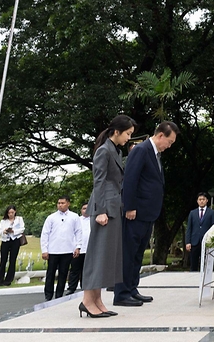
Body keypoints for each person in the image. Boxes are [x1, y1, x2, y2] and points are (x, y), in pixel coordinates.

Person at [114, 120, 178, 307]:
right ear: (160, 136)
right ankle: (122, 293)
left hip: (147, 213)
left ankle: (132, 288)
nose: (169, 146)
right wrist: (130, 207)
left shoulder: (155, 154)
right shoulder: (141, 150)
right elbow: (131, 179)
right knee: (129, 252)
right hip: (136, 212)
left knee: (138, 254)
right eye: (170, 141)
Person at [80, 114, 133, 318]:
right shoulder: (104, 151)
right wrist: (100, 211)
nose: (128, 137)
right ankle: (87, 300)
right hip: (103, 208)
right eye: (127, 134)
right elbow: (99, 182)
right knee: (97, 255)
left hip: (112, 207)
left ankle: (97, 299)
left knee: (106, 256)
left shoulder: (114, 151)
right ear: (116, 132)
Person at [40, 195, 82, 301]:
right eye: (59, 203)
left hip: (67, 250)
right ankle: (48, 295)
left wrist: (78, 246)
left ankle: (59, 295)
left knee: (63, 274)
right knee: (51, 273)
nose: (60, 205)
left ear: (68, 203)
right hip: (53, 250)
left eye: (62, 203)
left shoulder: (74, 217)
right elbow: (45, 234)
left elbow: (78, 232)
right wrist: (44, 250)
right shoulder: (51, 217)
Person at [185, 193, 214, 272]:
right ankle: (193, 279)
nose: (201, 201)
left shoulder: (211, 213)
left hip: (206, 241)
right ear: (197, 201)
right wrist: (188, 242)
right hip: (194, 241)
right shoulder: (192, 213)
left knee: (206, 264)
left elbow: (213, 228)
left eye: (203, 199)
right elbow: (189, 228)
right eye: (200, 199)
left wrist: (212, 240)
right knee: (194, 264)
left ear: (207, 201)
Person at [0, 205, 25, 286]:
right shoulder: (3, 221)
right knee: (3, 260)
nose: (11, 214)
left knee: (12, 260)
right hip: (5, 240)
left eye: (12, 212)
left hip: (15, 240)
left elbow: (22, 229)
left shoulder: (19, 219)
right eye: (9, 213)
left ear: (15, 212)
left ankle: (8, 280)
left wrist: (13, 231)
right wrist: (4, 231)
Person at [67, 203, 91, 294]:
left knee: (87, 270)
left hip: (89, 250)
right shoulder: (76, 220)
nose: (86, 210)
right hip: (77, 249)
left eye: (87, 208)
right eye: (84, 208)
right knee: (75, 269)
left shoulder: (94, 220)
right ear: (81, 210)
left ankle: (85, 287)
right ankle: (71, 288)